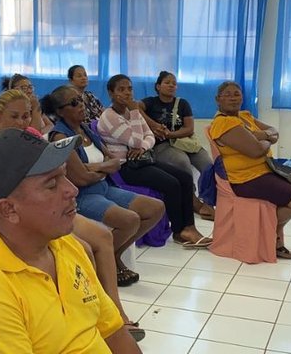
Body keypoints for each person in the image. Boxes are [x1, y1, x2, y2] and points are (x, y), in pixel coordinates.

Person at [0, 128, 142, 353]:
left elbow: (113, 331)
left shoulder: (65, 245)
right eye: (52, 184)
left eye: (64, 175)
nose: (72, 190)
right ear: (9, 209)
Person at [0, 88, 145, 340]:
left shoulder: (33, 139)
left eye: (26, 116)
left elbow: (60, 171)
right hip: (32, 214)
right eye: (14, 116)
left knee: (103, 238)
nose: (21, 122)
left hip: (51, 205)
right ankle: (84, 311)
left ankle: (113, 313)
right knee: (83, 248)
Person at [43, 85, 164, 287]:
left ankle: (113, 255)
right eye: (74, 103)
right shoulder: (61, 137)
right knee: (130, 220)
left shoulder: (87, 129)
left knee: (155, 208)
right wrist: (100, 168)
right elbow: (80, 179)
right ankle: (109, 260)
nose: (81, 105)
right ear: (60, 111)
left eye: (80, 100)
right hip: (83, 196)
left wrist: (94, 168)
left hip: (104, 187)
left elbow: (113, 161)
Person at [98, 74, 211, 247]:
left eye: (129, 88)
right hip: (124, 167)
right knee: (172, 184)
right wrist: (135, 113)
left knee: (185, 178)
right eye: (121, 89)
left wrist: (142, 147)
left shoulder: (130, 112)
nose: (127, 93)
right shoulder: (109, 116)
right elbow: (134, 140)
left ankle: (189, 227)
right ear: (111, 93)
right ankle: (180, 231)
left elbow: (149, 135)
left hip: (141, 159)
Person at [210, 81, 291, 259]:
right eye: (227, 94)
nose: (233, 97)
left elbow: (275, 130)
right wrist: (266, 138)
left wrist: (259, 136)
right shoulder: (223, 123)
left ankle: (274, 229)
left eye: (237, 93)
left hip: (266, 169)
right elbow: (256, 150)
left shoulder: (245, 116)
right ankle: (269, 232)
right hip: (244, 178)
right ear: (217, 99)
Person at [139, 71, 215, 220]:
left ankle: (208, 202)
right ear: (158, 86)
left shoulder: (182, 103)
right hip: (162, 145)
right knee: (182, 162)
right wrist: (154, 126)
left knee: (208, 164)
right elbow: (135, 108)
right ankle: (192, 200)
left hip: (184, 142)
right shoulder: (150, 102)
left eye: (174, 83)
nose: (171, 85)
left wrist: (169, 134)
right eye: (167, 82)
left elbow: (189, 128)